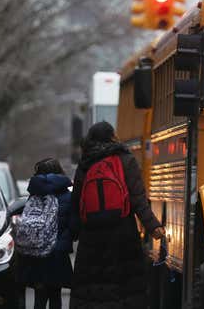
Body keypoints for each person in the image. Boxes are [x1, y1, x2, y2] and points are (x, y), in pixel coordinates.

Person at [70, 121, 165, 309]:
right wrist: (153, 226)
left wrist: (73, 231)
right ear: (112, 136)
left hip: (91, 237)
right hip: (122, 233)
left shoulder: (86, 162)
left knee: (91, 286)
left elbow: (76, 201)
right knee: (125, 287)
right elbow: (138, 199)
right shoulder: (125, 159)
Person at [16, 158, 73, 309]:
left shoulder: (34, 196)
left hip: (36, 253)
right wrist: (64, 243)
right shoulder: (68, 196)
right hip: (58, 253)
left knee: (39, 296)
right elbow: (74, 226)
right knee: (55, 295)